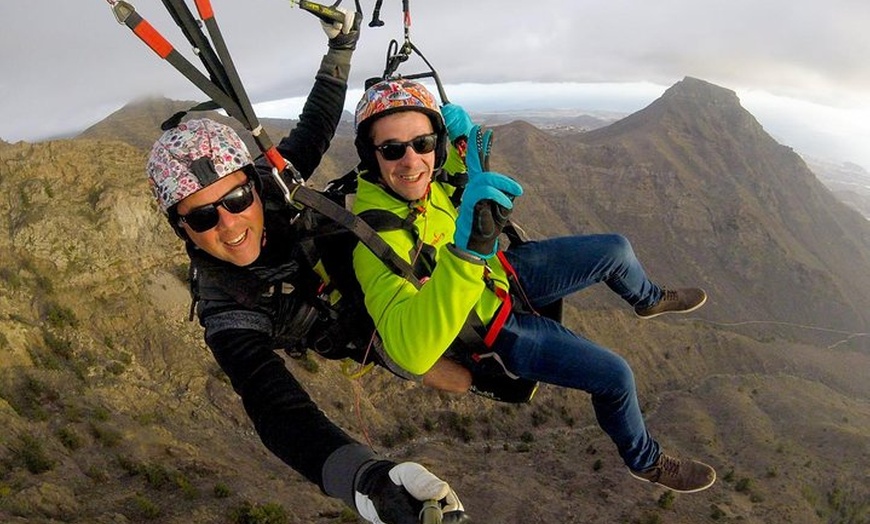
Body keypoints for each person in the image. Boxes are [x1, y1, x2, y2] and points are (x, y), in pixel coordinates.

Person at [144, 13, 467, 524]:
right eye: (203, 216)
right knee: (459, 379)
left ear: (252, 184)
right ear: (182, 229)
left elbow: (314, 129)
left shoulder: (272, 186)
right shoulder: (226, 304)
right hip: (356, 329)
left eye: (235, 198)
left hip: (378, 266)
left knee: (500, 350)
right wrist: (365, 479)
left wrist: (341, 49)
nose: (229, 226)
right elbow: (274, 405)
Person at [350, 79, 716, 493]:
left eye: (424, 142)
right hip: (496, 326)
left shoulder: (424, 181)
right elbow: (410, 353)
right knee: (616, 376)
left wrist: (462, 141)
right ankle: (645, 461)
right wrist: (468, 253)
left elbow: (452, 173)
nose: (412, 159)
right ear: (372, 157)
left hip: (503, 273)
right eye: (393, 149)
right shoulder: (376, 236)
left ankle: (647, 299)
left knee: (616, 249)